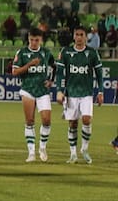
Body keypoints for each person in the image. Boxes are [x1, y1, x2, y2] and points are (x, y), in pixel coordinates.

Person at [55, 25, 104, 164]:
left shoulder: (92, 53)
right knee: (73, 123)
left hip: (87, 93)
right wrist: (59, 90)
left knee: (87, 120)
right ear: (73, 36)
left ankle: (84, 149)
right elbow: (59, 73)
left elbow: (99, 74)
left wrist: (100, 91)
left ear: (86, 37)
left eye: (82, 35)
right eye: (77, 34)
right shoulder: (66, 52)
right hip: (71, 93)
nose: (79, 37)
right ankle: (73, 154)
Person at [13, 28, 56, 162]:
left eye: (37, 40)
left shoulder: (46, 53)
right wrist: (29, 64)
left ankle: (42, 147)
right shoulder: (22, 53)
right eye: (31, 40)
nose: (34, 42)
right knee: (30, 121)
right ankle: (31, 152)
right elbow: (15, 72)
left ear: (41, 40)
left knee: (47, 120)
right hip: (28, 89)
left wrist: (51, 80)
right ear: (29, 39)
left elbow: (54, 66)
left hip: (43, 91)